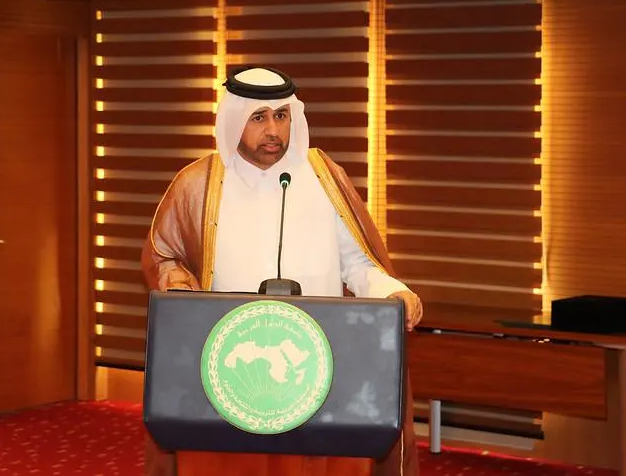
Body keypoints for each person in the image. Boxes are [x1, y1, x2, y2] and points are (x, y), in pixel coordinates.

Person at [141, 66, 422, 476]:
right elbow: (164, 257)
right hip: (235, 370)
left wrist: (391, 291)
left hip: (313, 363)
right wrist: (182, 291)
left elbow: (358, 263)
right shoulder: (197, 184)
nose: (273, 130)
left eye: (281, 116)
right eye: (258, 117)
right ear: (235, 119)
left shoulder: (323, 177)